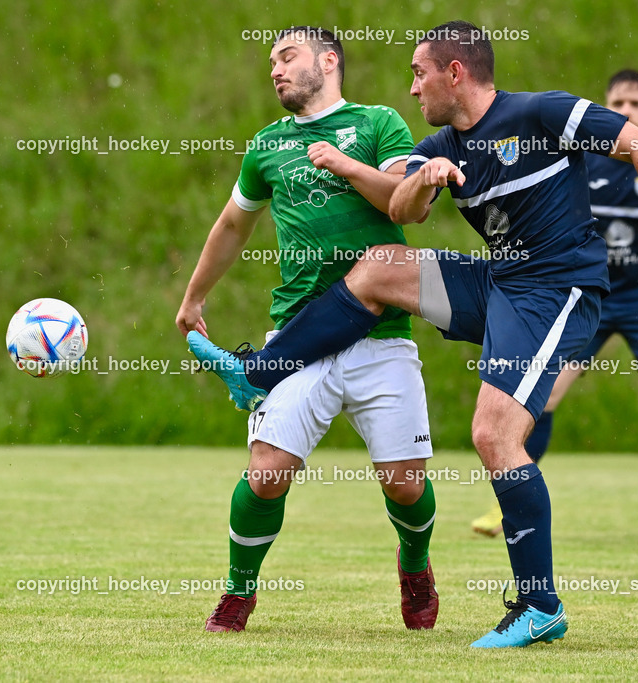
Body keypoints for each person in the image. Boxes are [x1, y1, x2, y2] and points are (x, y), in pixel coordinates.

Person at [188, 20, 638, 647]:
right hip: (502, 282)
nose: (411, 88)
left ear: (455, 72)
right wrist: (423, 176)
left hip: (559, 290)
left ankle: (539, 605)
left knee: (493, 432)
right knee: (379, 270)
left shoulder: (542, 112)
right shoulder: (440, 142)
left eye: (419, 74)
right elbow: (401, 211)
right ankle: (261, 369)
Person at [176, 26, 438, 633]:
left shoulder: (377, 122)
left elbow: (402, 200)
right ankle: (239, 593)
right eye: (271, 60)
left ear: (328, 61)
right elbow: (232, 227)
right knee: (266, 473)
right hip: (296, 337)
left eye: (287, 56)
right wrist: (194, 298)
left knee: (404, 486)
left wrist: (345, 165)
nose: (275, 68)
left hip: (380, 336)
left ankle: (416, 565)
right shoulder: (267, 145)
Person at [470, 69, 638, 544]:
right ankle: (510, 495)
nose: (626, 111)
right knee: (544, 397)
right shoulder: (581, 161)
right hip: (587, 295)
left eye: (637, 104)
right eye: (617, 101)